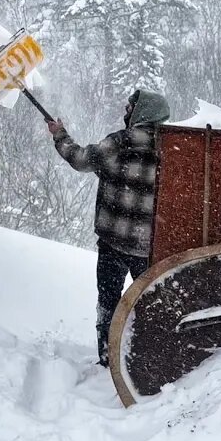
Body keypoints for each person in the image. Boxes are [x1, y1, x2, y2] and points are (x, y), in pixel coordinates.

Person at [45, 89, 171, 367]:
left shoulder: (121, 141)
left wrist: (60, 134)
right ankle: (144, 357)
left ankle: (107, 356)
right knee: (147, 303)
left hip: (113, 243)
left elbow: (80, 160)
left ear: (142, 112)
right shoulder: (174, 148)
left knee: (109, 302)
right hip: (147, 247)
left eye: (131, 107)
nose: (126, 112)